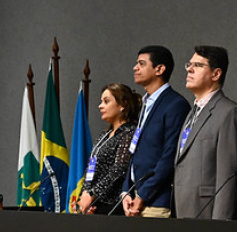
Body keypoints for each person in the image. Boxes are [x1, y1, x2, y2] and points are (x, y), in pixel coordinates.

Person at [173, 46, 237, 220]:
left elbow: (227, 178)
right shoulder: (192, 112)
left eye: (198, 65)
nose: (189, 69)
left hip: (207, 214)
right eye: (189, 64)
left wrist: (219, 226)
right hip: (182, 211)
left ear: (216, 74)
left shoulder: (229, 113)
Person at [122, 45, 190, 218]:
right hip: (134, 198)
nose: (135, 68)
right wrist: (125, 192)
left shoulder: (175, 104)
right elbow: (135, 150)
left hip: (155, 201)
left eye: (141, 64)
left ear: (159, 69)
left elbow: (170, 155)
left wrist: (143, 194)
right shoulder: (146, 103)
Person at [75, 84, 141, 214]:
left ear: (122, 105)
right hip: (94, 204)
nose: (100, 106)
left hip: (113, 206)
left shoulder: (130, 132)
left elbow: (119, 169)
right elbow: (91, 166)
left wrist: (92, 194)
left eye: (106, 101)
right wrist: (85, 196)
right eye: (101, 102)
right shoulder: (105, 134)